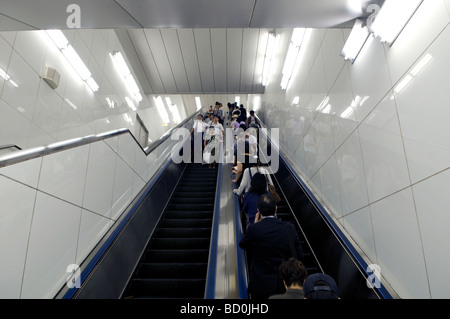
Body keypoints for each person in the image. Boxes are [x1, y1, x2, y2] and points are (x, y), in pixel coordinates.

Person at [239, 194, 304, 299]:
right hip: (283, 285)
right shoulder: (289, 228)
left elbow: (243, 244)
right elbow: (300, 256)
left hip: (260, 286)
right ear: (276, 209)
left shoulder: (254, 230)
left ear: (258, 211)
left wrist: (254, 224)